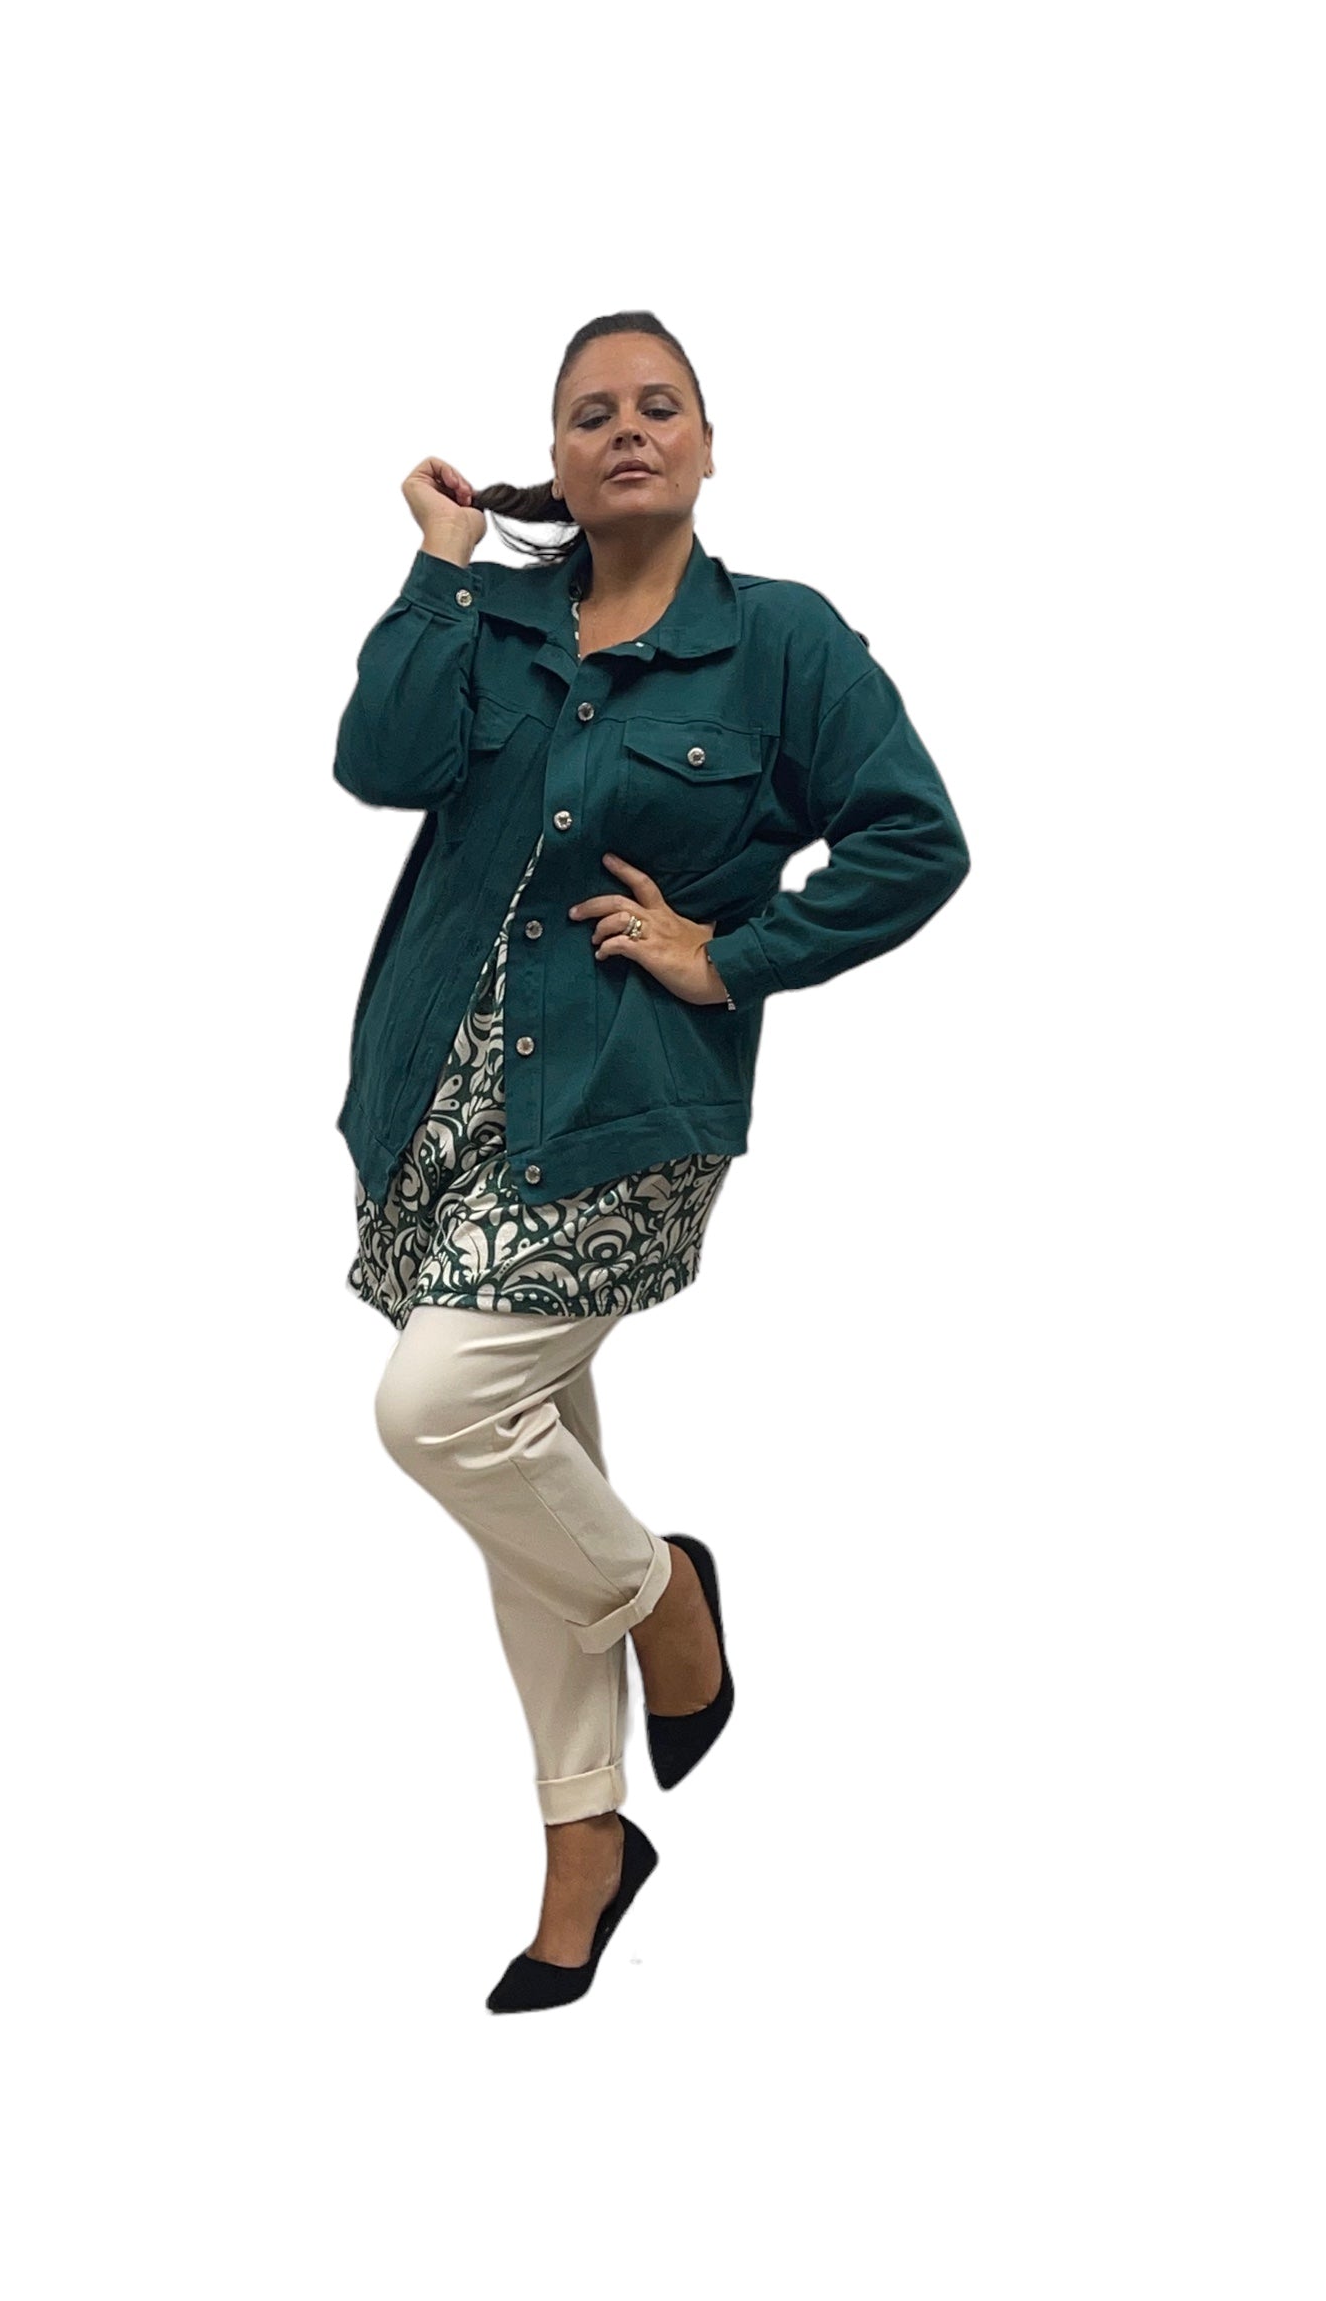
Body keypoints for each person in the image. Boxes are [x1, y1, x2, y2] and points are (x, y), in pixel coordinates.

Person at [333, 310, 971, 2012]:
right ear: (557, 453)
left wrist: (730, 955)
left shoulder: (781, 643)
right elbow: (376, 762)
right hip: (436, 1096)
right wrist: (445, 563)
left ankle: (665, 1594)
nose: (628, 429)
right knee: (526, 1468)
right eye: (593, 412)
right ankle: (583, 1842)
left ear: (705, 442)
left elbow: (917, 840)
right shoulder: (497, 616)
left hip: (622, 1102)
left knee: (441, 1413)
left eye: (660, 406)